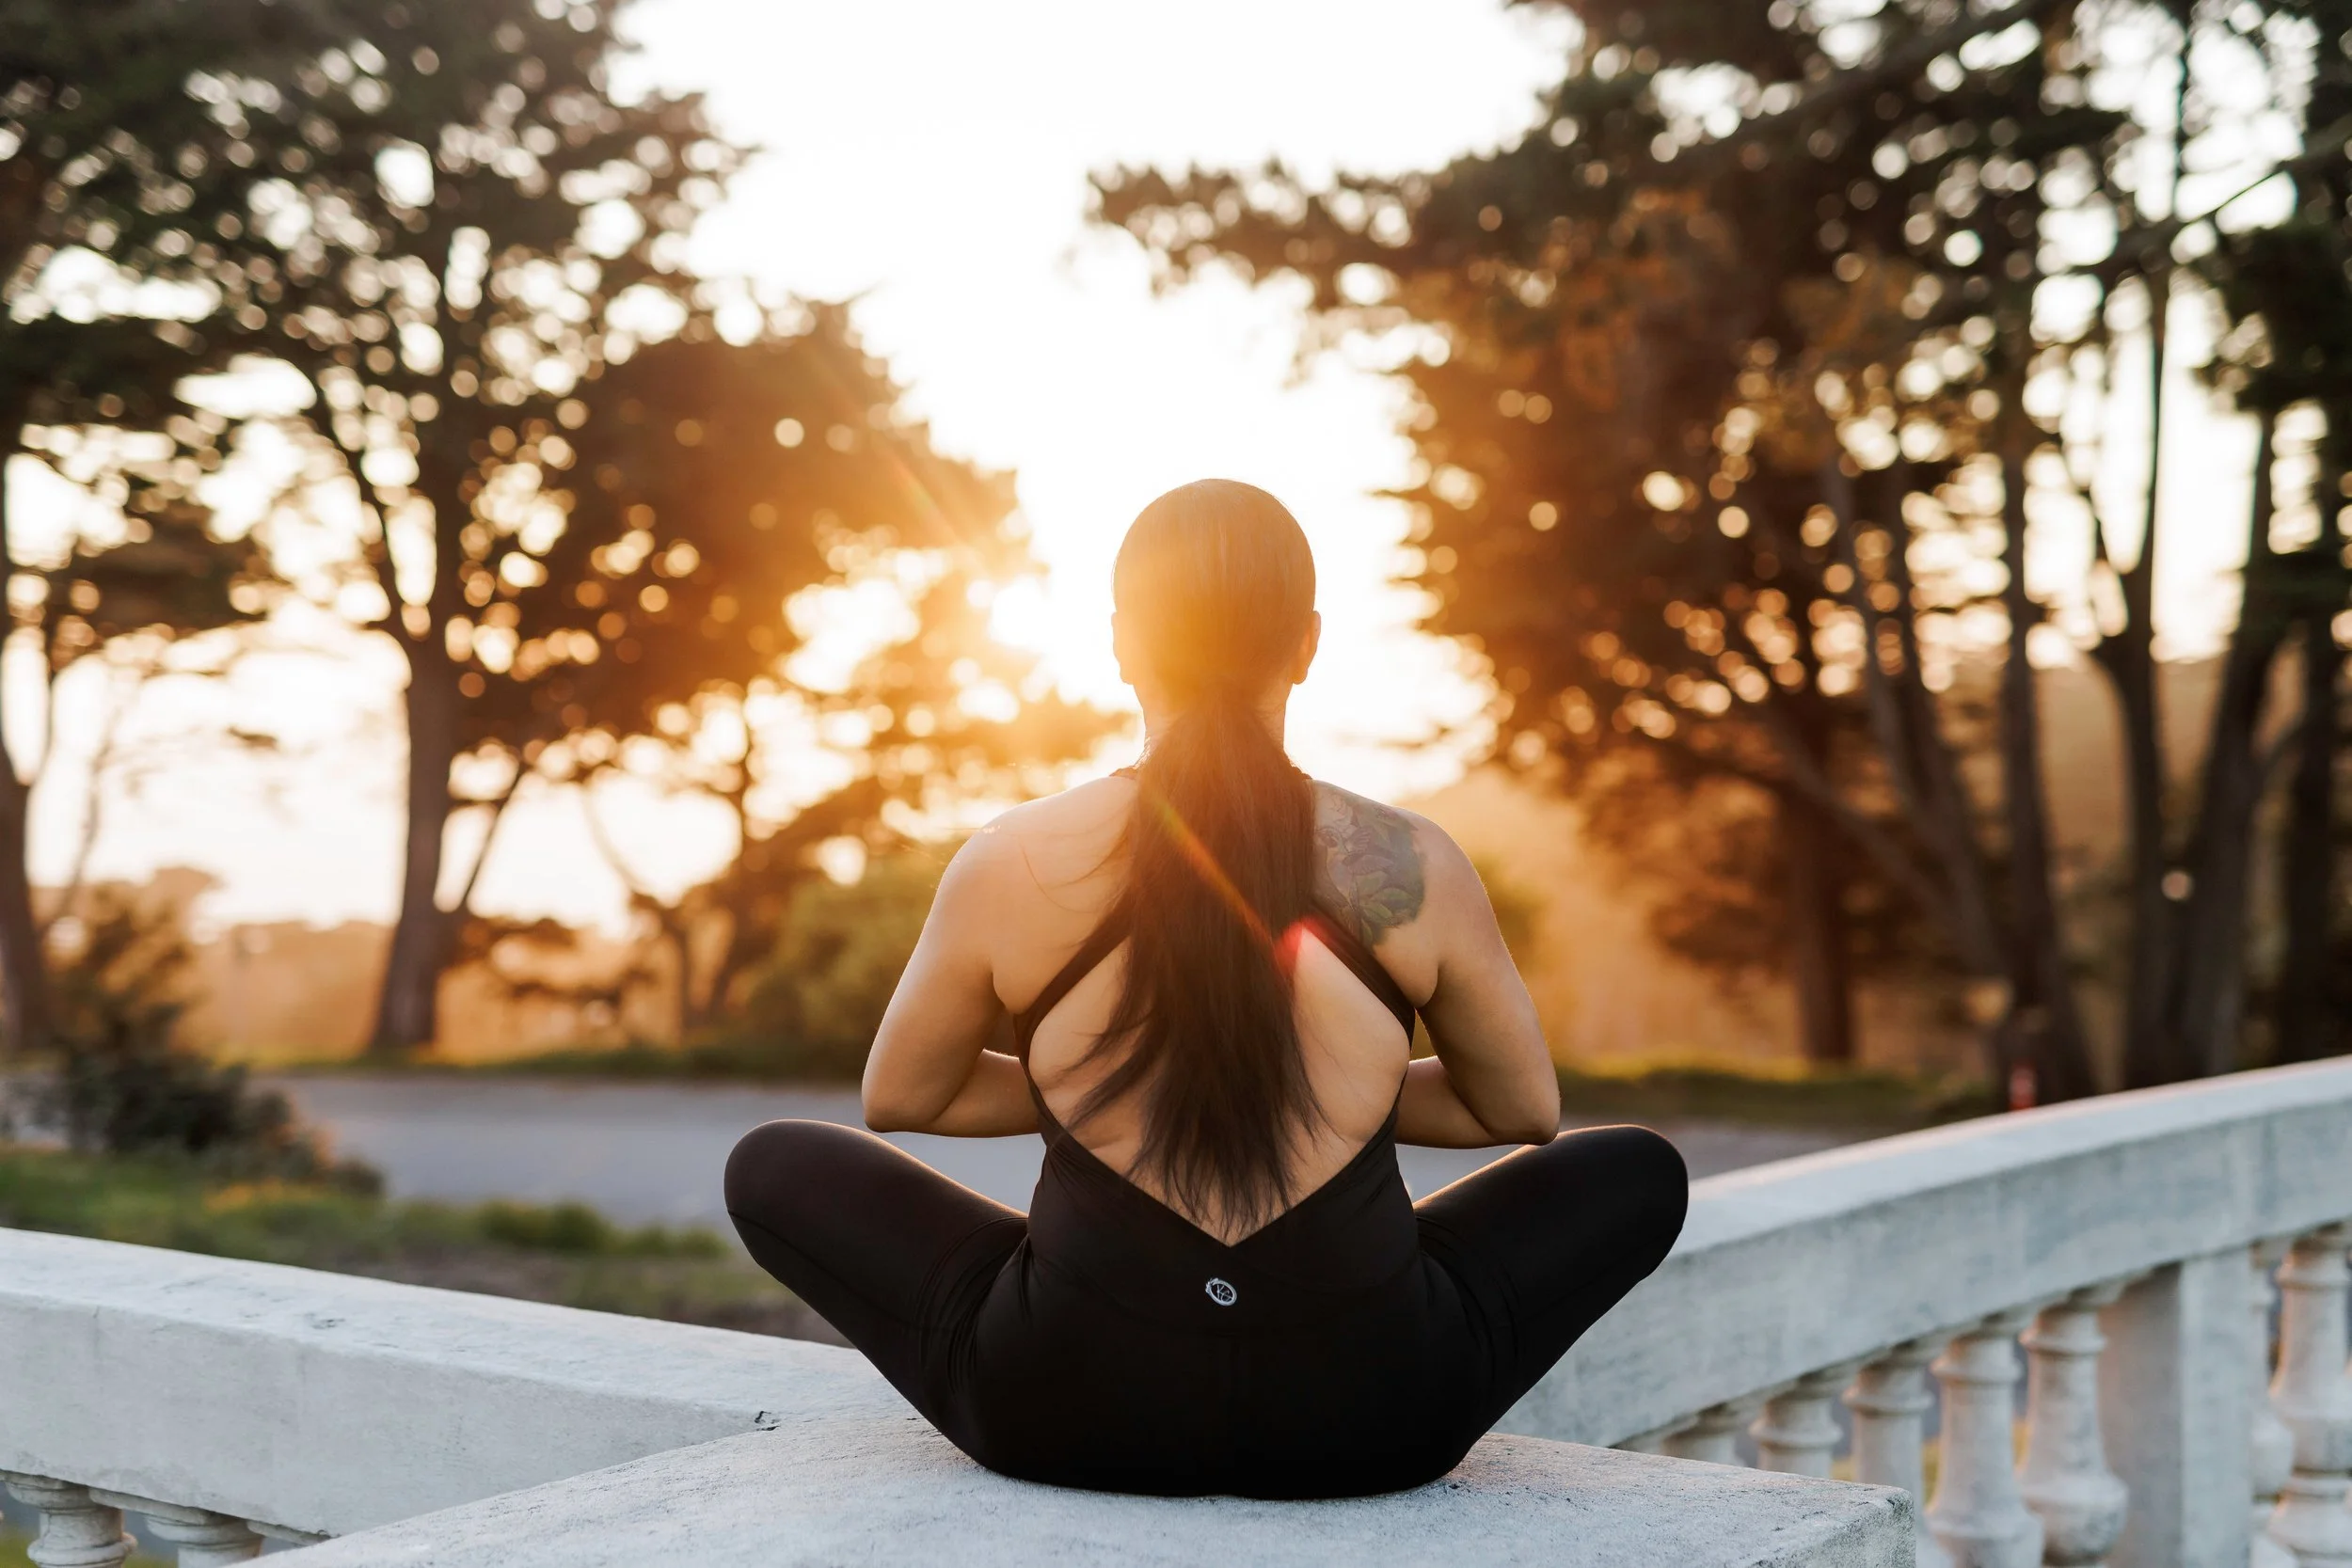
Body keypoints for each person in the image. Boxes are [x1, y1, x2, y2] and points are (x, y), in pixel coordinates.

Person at [725, 479, 1687, 1499]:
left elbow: (903, 1096)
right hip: (1376, 1408)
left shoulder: (1011, 857)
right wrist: (1320, 1077)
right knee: (1633, 1169)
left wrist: (1104, 1075)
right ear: (1307, 643)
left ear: (1122, 645)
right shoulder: (1408, 860)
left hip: (1063, 1399)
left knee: (773, 1163)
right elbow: (1521, 1108)